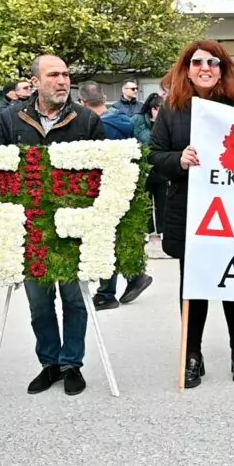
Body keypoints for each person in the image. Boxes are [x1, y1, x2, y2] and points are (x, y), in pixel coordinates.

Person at [0, 54, 105, 396]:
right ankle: (49, 363)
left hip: (72, 226)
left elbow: (103, 169)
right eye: (54, 74)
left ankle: (72, 364)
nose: (63, 80)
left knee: (74, 299)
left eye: (66, 74)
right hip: (29, 228)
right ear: (35, 82)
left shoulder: (85, 118)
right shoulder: (11, 118)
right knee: (39, 302)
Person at [149, 40, 234, 389]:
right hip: (190, 211)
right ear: (187, 69)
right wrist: (178, 160)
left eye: (213, 62)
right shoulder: (173, 109)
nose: (205, 68)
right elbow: (155, 155)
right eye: (197, 62)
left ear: (223, 68)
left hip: (232, 212)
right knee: (193, 287)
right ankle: (192, 354)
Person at [79, 81, 154, 310]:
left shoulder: (96, 126)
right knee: (121, 233)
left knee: (106, 238)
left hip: (103, 187)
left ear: (82, 102)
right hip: (127, 183)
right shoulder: (123, 119)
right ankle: (134, 276)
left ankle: (107, 293)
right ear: (104, 98)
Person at [133, 93, 167, 242]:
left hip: (160, 167)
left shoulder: (165, 122)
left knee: (162, 202)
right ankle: (147, 230)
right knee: (145, 200)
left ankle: (162, 230)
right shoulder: (138, 120)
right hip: (144, 167)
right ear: (153, 109)